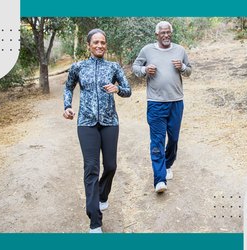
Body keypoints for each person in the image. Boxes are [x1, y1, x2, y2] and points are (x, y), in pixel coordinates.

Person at [63, 29, 131, 233]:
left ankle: (102, 195)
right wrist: (67, 106)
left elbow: (128, 90)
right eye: (96, 42)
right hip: (86, 123)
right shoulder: (78, 67)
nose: (100, 45)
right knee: (91, 169)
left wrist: (117, 89)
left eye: (103, 42)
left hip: (110, 122)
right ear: (89, 45)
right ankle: (95, 221)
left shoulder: (113, 67)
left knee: (110, 166)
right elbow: (68, 87)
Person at [132, 21, 192, 193]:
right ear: (156, 35)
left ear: (171, 33)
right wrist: (144, 70)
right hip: (156, 103)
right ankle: (159, 179)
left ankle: (168, 164)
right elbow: (136, 67)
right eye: (162, 33)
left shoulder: (180, 50)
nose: (166, 35)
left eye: (168, 32)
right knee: (157, 140)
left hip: (176, 101)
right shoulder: (147, 50)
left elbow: (190, 71)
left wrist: (183, 67)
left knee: (173, 139)